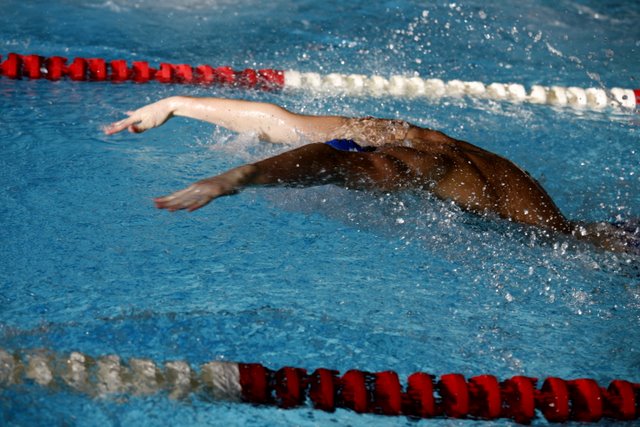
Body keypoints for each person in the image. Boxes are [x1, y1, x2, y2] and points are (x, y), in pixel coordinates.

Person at [104, 96, 638, 254]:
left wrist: (235, 178)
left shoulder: (422, 163)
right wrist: (177, 104)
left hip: (568, 242)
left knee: (595, 241)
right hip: (544, 214)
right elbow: (277, 122)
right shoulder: (389, 130)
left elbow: (329, 160)